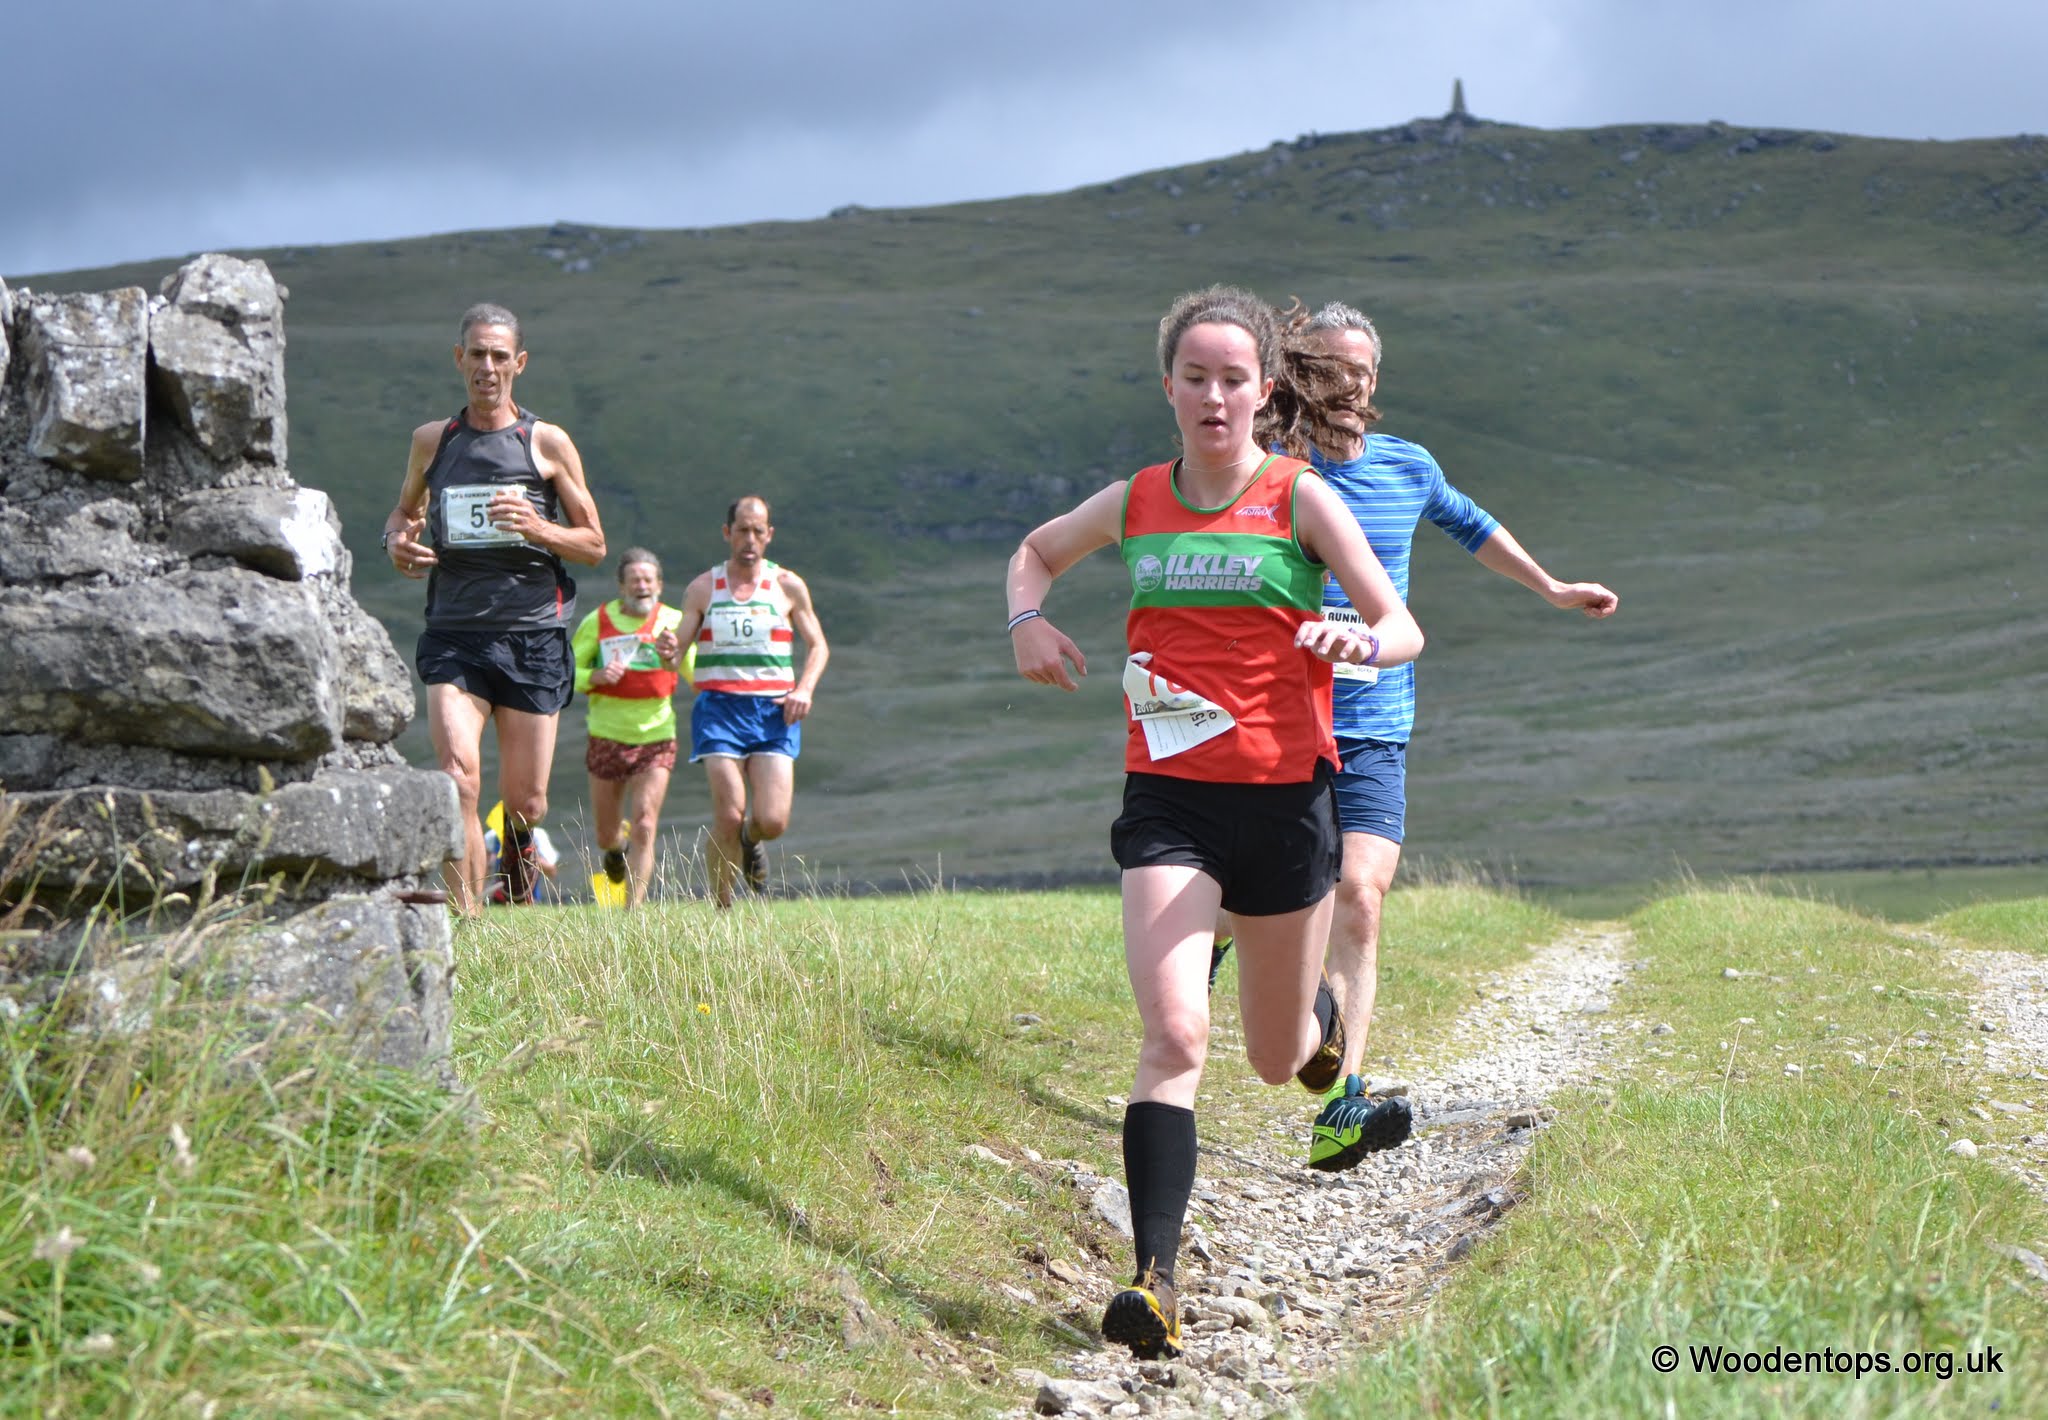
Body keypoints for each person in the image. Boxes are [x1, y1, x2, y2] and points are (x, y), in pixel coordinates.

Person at [1006, 286, 1424, 1361]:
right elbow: (1035, 552)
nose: (1213, 395)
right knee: (1173, 1033)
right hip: (1169, 806)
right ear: (1169, 389)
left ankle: (1326, 1042)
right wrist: (1026, 622)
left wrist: (1356, 646)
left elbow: (1400, 623)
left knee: (1276, 1057)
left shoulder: (1299, 499)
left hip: (1286, 807)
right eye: (1193, 376)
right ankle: (1151, 1280)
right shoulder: (1137, 498)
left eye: (1233, 377)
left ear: (1263, 391)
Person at [1212, 300, 1620, 1172]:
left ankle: (1343, 1105)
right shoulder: (1269, 469)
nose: (1347, 385)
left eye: (1361, 371)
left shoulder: (1406, 465)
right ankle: (1229, 940)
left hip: (1373, 724)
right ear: (1296, 376)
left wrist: (1550, 588)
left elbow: (1471, 526)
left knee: (1361, 893)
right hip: (1275, 720)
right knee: (1262, 898)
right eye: (1326, 368)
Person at [381, 303, 606, 913]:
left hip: (533, 632)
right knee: (458, 778)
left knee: (526, 802)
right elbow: (404, 513)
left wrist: (538, 527)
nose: (487, 367)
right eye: (476, 354)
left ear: (519, 364)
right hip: (455, 632)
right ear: (459, 359)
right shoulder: (433, 442)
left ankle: (516, 874)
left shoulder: (546, 442)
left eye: (499, 356)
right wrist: (397, 542)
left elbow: (593, 544)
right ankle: (469, 924)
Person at [674, 496, 828, 908]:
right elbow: (675, 650)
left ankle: (749, 840)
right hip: (719, 710)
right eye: (742, 529)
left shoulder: (788, 586)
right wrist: (665, 647)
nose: (750, 539)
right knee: (727, 812)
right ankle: (722, 907)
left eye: (758, 531)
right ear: (727, 533)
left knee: (772, 820)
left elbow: (818, 646)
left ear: (769, 535)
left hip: (774, 711)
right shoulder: (704, 587)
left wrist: (805, 689)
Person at [571, 547, 688, 908]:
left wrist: (675, 657)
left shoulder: (674, 621)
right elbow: (567, 672)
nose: (642, 586)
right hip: (607, 734)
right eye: (634, 580)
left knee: (645, 824)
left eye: (648, 580)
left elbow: (694, 673)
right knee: (608, 834)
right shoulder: (599, 620)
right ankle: (614, 850)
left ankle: (632, 910)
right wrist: (597, 675)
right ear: (621, 586)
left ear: (660, 585)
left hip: (657, 734)